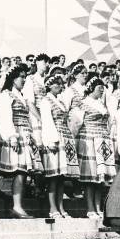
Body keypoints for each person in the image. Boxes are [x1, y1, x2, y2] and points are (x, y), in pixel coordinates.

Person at [0, 64, 43, 218]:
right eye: (21, 77)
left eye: (25, 76)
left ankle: (18, 205)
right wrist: (12, 136)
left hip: (26, 134)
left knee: (23, 172)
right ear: (13, 78)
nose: (24, 79)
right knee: (20, 171)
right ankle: (17, 206)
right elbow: (5, 116)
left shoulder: (21, 96)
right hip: (16, 134)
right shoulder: (6, 95)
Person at [72, 74, 117, 219]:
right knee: (90, 178)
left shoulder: (102, 104)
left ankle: (98, 208)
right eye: (99, 88)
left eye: (103, 88)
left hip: (102, 140)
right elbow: (76, 124)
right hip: (89, 140)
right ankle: (90, 208)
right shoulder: (83, 103)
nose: (102, 91)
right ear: (91, 88)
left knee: (100, 179)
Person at [39, 71, 80, 218]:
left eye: (60, 83)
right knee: (53, 176)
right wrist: (51, 141)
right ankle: (52, 208)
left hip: (65, 137)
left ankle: (61, 207)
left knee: (62, 176)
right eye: (56, 83)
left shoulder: (61, 102)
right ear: (49, 86)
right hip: (54, 137)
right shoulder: (45, 101)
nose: (59, 86)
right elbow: (47, 121)